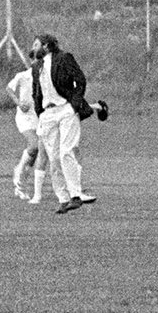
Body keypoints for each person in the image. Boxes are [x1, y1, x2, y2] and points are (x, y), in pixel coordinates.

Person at [28, 33, 100, 215]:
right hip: (48, 114)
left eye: (36, 45)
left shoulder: (63, 58)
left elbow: (80, 80)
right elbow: (36, 92)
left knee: (66, 151)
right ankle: (63, 198)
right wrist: (40, 113)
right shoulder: (36, 67)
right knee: (53, 158)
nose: (33, 48)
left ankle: (76, 195)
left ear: (46, 46)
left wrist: (74, 104)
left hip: (65, 110)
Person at [5, 58, 47, 204]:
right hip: (25, 118)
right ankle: (19, 174)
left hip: (40, 117)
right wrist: (19, 103)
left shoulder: (46, 77)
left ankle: (21, 180)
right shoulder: (23, 76)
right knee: (34, 145)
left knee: (36, 152)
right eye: (36, 60)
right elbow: (9, 89)